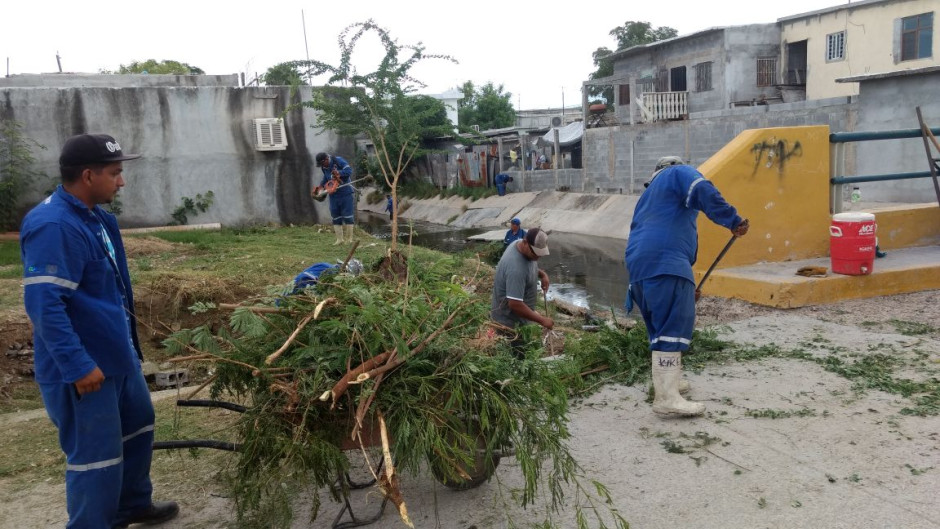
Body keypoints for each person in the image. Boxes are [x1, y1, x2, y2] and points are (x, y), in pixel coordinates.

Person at [19, 133, 179, 528]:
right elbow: (44, 305)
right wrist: (76, 365)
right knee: (96, 457)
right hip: (84, 370)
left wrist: (128, 351)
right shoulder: (54, 225)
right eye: (115, 173)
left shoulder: (95, 217)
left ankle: (131, 506)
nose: (121, 182)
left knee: (138, 429)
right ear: (88, 176)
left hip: (116, 358)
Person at [624, 156, 749, 418]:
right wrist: (732, 220)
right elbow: (702, 190)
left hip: (639, 269)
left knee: (659, 328)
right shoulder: (678, 173)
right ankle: (667, 398)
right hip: (665, 261)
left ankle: (668, 383)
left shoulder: (647, 199)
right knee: (673, 326)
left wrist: (685, 281)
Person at [491, 227, 553, 359]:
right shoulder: (516, 268)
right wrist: (542, 320)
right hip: (510, 325)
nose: (537, 257)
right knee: (515, 361)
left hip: (520, 321)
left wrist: (542, 274)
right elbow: (515, 304)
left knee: (521, 355)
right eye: (535, 253)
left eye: (540, 253)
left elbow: (530, 266)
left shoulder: (518, 244)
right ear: (525, 242)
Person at [312, 152, 355, 245]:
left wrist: (338, 173)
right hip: (333, 195)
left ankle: (349, 240)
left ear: (327, 159)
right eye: (321, 165)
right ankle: (339, 240)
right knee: (335, 216)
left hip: (345, 192)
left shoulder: (339, 161)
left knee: (348, 216)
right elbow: (326, 178)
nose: (322, 166)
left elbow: (349, 171)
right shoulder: (324, 167)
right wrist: (320, 187)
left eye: (323, 163)